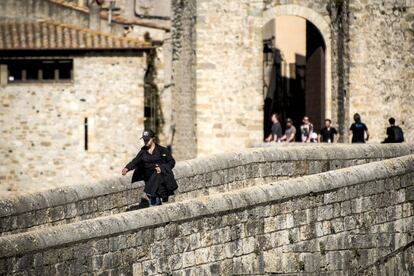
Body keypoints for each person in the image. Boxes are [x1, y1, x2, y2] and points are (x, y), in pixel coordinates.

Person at [122, 130, 178, 206]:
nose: (146, 141)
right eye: (144, 140)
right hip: (148, 181)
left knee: (155, 197)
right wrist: (127, 168)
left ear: (153, 139)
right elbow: (135, 161)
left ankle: (153, 201)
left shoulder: (162, 150)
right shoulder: (143, 151)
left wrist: (161, 168)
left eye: (148, 139)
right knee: (154, 199)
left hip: (159, 179)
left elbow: (171, 162)